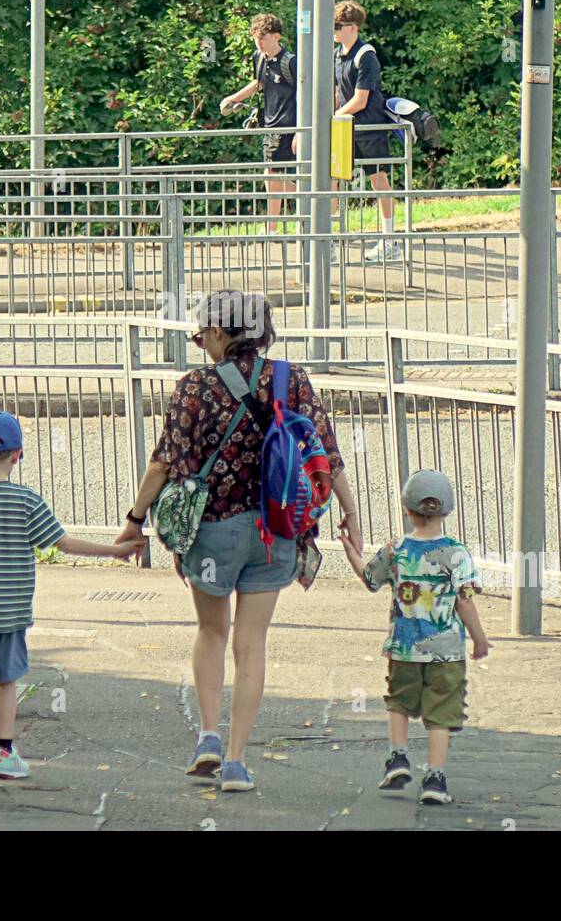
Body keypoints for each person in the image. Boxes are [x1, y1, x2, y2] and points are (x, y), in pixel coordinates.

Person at [114, 290, 363, 793]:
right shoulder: (291, 380)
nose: (201, 341)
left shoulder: (194, 387)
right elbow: (326, 455)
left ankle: (207, 735)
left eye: (204, 332)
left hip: (212, 532)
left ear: (225, 332)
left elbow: (163, 464)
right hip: (275, 532)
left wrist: (134, 521)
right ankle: (235, 761)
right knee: (251, 646)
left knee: (212, 632)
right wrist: (351, 515)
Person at [0, 411, 143, 784]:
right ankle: (4, 753)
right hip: (11, 611)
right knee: (7, 681)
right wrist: (115, 551)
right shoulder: (26, 500)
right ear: (18, 455)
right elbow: (63, 543)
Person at [339, 469, 491, 805]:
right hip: (446, 654)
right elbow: (465, 601)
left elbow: (368, 577)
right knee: (441, 715)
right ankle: (435, 779)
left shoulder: (395, 550)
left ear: (407, 510)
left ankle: (398, 757)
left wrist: (350, 548)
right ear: (447, 511)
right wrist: (479, 639)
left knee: (398, 702)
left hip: (403, 650)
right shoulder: (457, 553)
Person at [333, 0, 401, 263]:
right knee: (332, 181)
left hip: (368, 126)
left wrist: (335, 116)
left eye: (338, 26)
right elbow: (338, 92)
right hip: (345, 126)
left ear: (353, 27)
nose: (335, 31)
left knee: (378, 180)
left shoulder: (366, 56)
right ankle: (330, 243)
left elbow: (361, 100)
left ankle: (389, 239)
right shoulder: (338, 54)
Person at [219, 13, 298, 234]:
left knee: (272, 176)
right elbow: (258, 83)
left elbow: (304, 95)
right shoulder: (259, 57)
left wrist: (302, 131)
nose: (259, 42)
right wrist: (234, 98)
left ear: (277, 37)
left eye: (263, 38)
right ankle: (306, 200)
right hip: (269, 124)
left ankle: (277, 223)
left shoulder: (290, 62)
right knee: (273, 176)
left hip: (288, 125)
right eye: (256, 38)